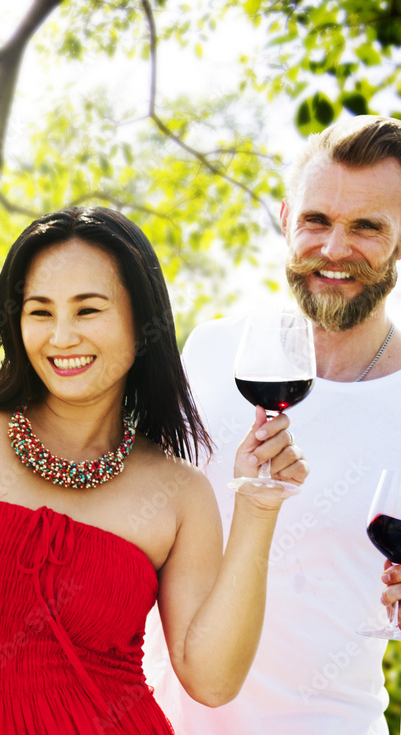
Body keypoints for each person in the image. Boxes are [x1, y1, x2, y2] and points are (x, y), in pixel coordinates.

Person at [0, 206, 309, 734]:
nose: (62, 337)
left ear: (141, 323)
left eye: (88, 311)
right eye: (40, 312)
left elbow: (213, 681)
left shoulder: (179, 492)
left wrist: (257, 505)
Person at [146, 115, 401, 734]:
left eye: (367, 227)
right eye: (317, 220)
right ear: (287, 219)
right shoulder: (211, 352)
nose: (335, 249)